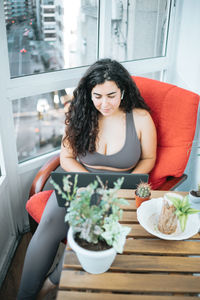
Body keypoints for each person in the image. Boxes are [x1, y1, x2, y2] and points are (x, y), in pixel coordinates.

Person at [17, 58, 157, 299]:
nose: (105, 103)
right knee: (48, 226)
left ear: (123, 90)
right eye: (98, 96)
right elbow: (67, 158)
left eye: (111, 95)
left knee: (87, 231)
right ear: (89, 94)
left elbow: (148, 158)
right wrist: (90, 183)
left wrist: (126, 185)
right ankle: (25, 296)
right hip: (77, 180)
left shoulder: (141, 118)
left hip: (117, 189)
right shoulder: (80, 114)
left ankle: (51, 283)